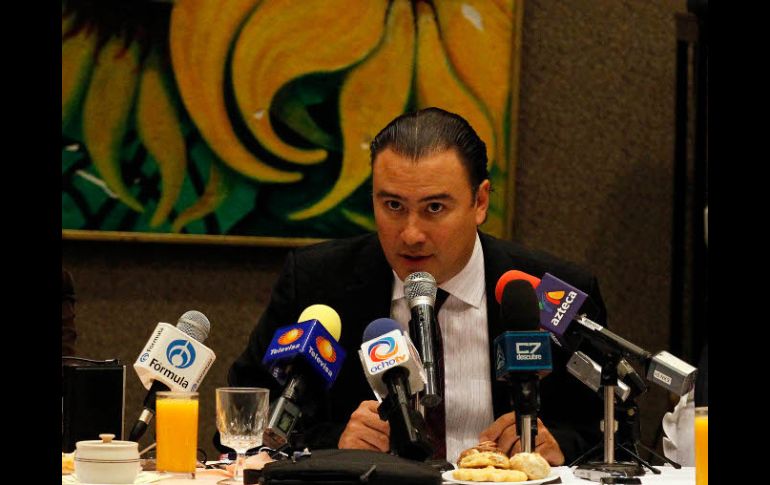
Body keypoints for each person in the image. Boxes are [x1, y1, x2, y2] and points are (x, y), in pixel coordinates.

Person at [227, 107, 607, 464]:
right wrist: (336, 442)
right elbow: (242, 425)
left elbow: (609, 430)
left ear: (479, 201)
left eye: (434, 208)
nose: (411, 234)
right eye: (393, 206)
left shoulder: (553, 294)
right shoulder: (318, 283)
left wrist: (558, 445)